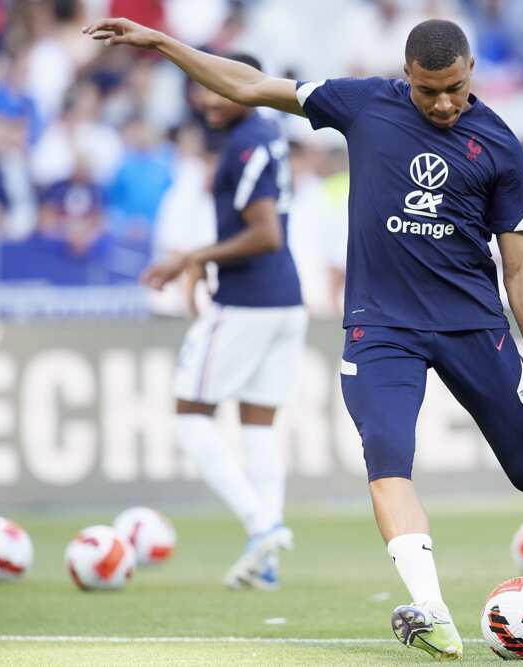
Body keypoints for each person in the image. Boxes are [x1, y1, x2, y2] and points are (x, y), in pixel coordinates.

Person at [83, 17, 523, 661]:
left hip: (474, 326)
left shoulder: (500, 146)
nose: (441, 103)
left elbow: (519, 269)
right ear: (406, 75)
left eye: (454, 89)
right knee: (386, 455)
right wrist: (163, 44)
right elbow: (251, 85)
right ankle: (431, 612)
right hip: (380, 329)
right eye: (428, 90)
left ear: (471, 74)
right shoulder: (364, 103)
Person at [139, 53, 307, 591]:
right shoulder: (268, 133)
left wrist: (193, 257)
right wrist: (207, 259)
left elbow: (264, 234)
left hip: (248, 303)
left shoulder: (245, 143)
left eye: (221, 88)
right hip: (285, 300)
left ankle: (262, 527)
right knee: (258, 424)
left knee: (189, 416)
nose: (209, 97)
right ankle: (270, 562)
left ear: (251, 87)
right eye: (204, 87)